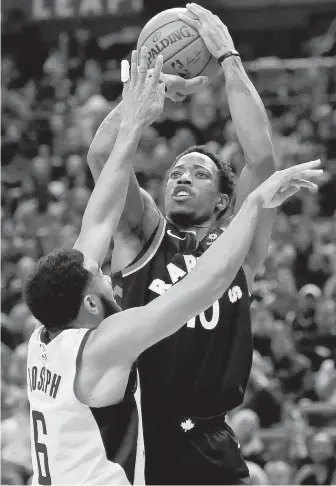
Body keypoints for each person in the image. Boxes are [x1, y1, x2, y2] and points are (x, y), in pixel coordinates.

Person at [87, 5, 322, 485]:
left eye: (198, 173)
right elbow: (101, 156)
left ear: (222, 201)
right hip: (140, 437)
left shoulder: (236, 246)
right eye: (175, 172)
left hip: (211, 438)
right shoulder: (143, 236)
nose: (181, 177)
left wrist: (229, 59)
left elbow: (261, 159)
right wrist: (146, 95)